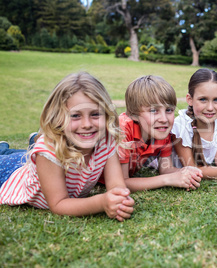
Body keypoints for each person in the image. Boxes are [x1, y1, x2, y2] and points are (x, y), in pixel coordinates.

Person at [0, 72, 134, 221]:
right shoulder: (49, 151)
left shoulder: (105, 139)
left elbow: (116, 184)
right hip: (7, 175)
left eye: (95, 114)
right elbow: (58, 204)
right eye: (75, 116)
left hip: (32, 167)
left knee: (20, 157)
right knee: (8, 159)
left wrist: (120, 200)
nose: (87, 124)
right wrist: (102, 202)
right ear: (58, 117)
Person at [119, 75, 203, 191]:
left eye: (169, 110)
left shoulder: (161, 130)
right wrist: (167, 179)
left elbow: (166, 168)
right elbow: (121, 182)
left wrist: (185, 173)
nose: (164, 119)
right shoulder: (123, 130)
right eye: (154, 111)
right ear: (134, 115)